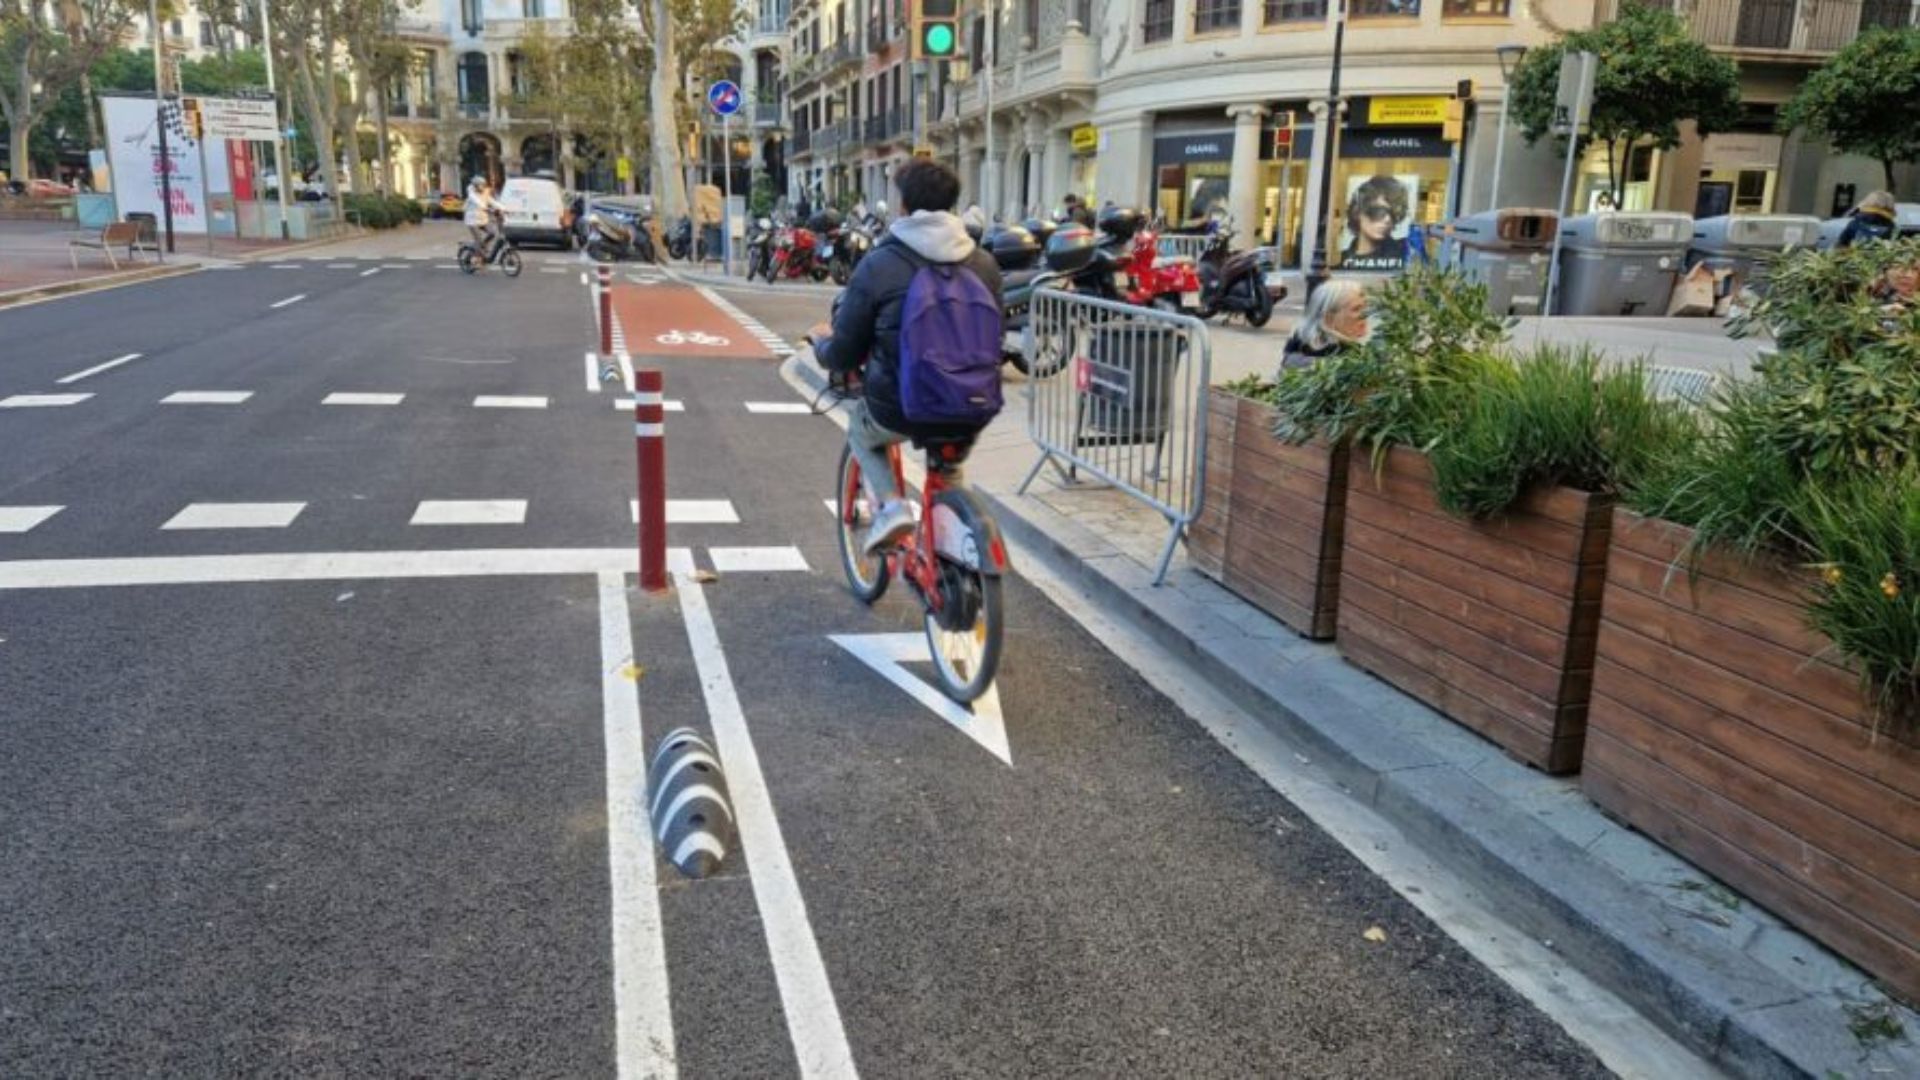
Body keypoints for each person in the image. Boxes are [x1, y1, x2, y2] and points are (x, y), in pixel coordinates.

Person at [810, 159, 1005, 555]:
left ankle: (891, 507)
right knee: (947, 464)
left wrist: (821, 347)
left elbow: (846, 350)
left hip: (897, 407)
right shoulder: (983, 263)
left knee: (861, 431)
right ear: (953, 205)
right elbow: (995, 335)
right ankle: (957, 552)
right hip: (972, 402)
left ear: (903, 206)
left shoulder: (880, 264)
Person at [1280, 279, 1369, 373]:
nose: (1366, 314)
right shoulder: (1347, 367)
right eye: (1356, 309)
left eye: (1365, 308)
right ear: (1329, 319)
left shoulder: (1298, 351)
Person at [1340, 175, 1410, 270]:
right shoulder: (1341, 260)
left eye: (1394, 214)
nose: (1387, 219)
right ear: (1358, 212)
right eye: (1379, 211)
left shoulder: (1405, 255)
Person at [464, 177, 504, 257]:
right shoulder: (472, 194)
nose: (482, 187)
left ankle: (483, 247)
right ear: (475, 186)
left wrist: (503, 208)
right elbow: (478, 202)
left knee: (492, 233)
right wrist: (486, 208)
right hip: (472, 221)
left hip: (482, 220)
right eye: (480, 185)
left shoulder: (485, 193)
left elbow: (492, 201)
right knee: (479, 240)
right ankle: (473, 258)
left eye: (483, 185)